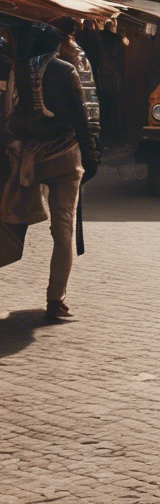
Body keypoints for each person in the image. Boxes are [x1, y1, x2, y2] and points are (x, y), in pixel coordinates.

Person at [3, 25, 100, 320]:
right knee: (63, 231)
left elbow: (9, 116)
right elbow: (82, 120)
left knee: (11, 219)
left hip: (28, 160)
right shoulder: (67, 70)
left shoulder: (17, 70)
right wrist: (92, 157)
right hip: (65, 159)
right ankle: (56, 301)